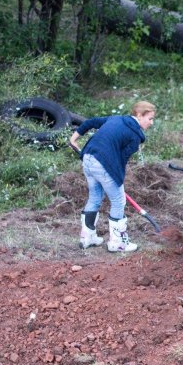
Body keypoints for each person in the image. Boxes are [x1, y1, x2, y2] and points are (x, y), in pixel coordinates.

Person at [69, 101, 156, 252]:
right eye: (150, 118)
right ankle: (117, 243)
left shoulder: (116, 119)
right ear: (139, 115)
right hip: (103, 163)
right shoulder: (135, 136)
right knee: (118, 200)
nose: (152, 122)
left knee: (95, 197)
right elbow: (120, 161)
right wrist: (118, 183)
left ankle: (87, 237)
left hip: (88, 157)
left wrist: (73, 139)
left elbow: (90, 122)